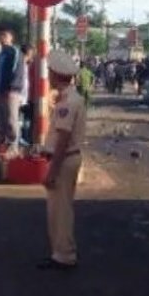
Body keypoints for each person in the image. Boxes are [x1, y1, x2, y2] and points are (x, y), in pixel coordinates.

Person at [39, 50, 85, 271]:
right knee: (60, 210)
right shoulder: (70, 99)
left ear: (56, 74)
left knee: (61, 212)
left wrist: (52, 171)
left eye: (50, 72)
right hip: (68, 159)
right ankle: (61, 252)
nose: (48, 75)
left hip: (64, 161)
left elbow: (63, 140)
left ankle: (64, 255)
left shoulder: (68, 103)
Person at [0, 27, 25, 147]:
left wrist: (12, 88)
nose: (2, 38)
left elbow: (18, 72)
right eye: (1, 36)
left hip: (12, 92)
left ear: (11, 38)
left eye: (5, 36)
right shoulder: (1, 54)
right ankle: (4, 144)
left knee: (12, 120)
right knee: (2, 120)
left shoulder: (15, 52)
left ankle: (13, 146)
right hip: (0, 92)